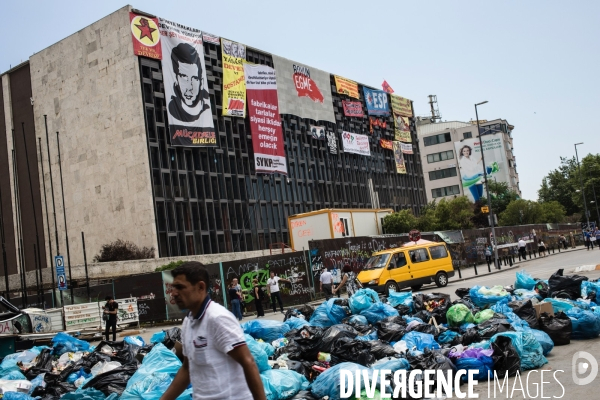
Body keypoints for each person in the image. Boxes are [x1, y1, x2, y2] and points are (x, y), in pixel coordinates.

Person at [160, 262, 265, 400]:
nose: (174, 293)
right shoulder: (188, 322)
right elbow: (187, 369)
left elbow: (248, 362)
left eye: (180, 287)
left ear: (200, 287)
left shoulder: (218, 318)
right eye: (174, 287)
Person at [168, 43, 212, 124]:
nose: (189, 88)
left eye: (194, 79)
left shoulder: (208, 112)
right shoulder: (171, 110)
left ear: (201, 83)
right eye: (184, 77)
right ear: (176, 81)